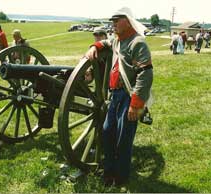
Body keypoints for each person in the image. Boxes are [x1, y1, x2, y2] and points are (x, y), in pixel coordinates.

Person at [85, 7, 153, 186]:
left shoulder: (138, 43)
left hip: (128, 97)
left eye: (117, 20)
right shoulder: (117, 40)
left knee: (124, 139)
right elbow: (106, 43)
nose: (113, 23)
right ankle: (109, 173)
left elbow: (145, 75)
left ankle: (121, 177)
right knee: (107, 133)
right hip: (114, 96)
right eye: (112, 21)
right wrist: (94, 46)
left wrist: (136, 104)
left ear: (128, 21)